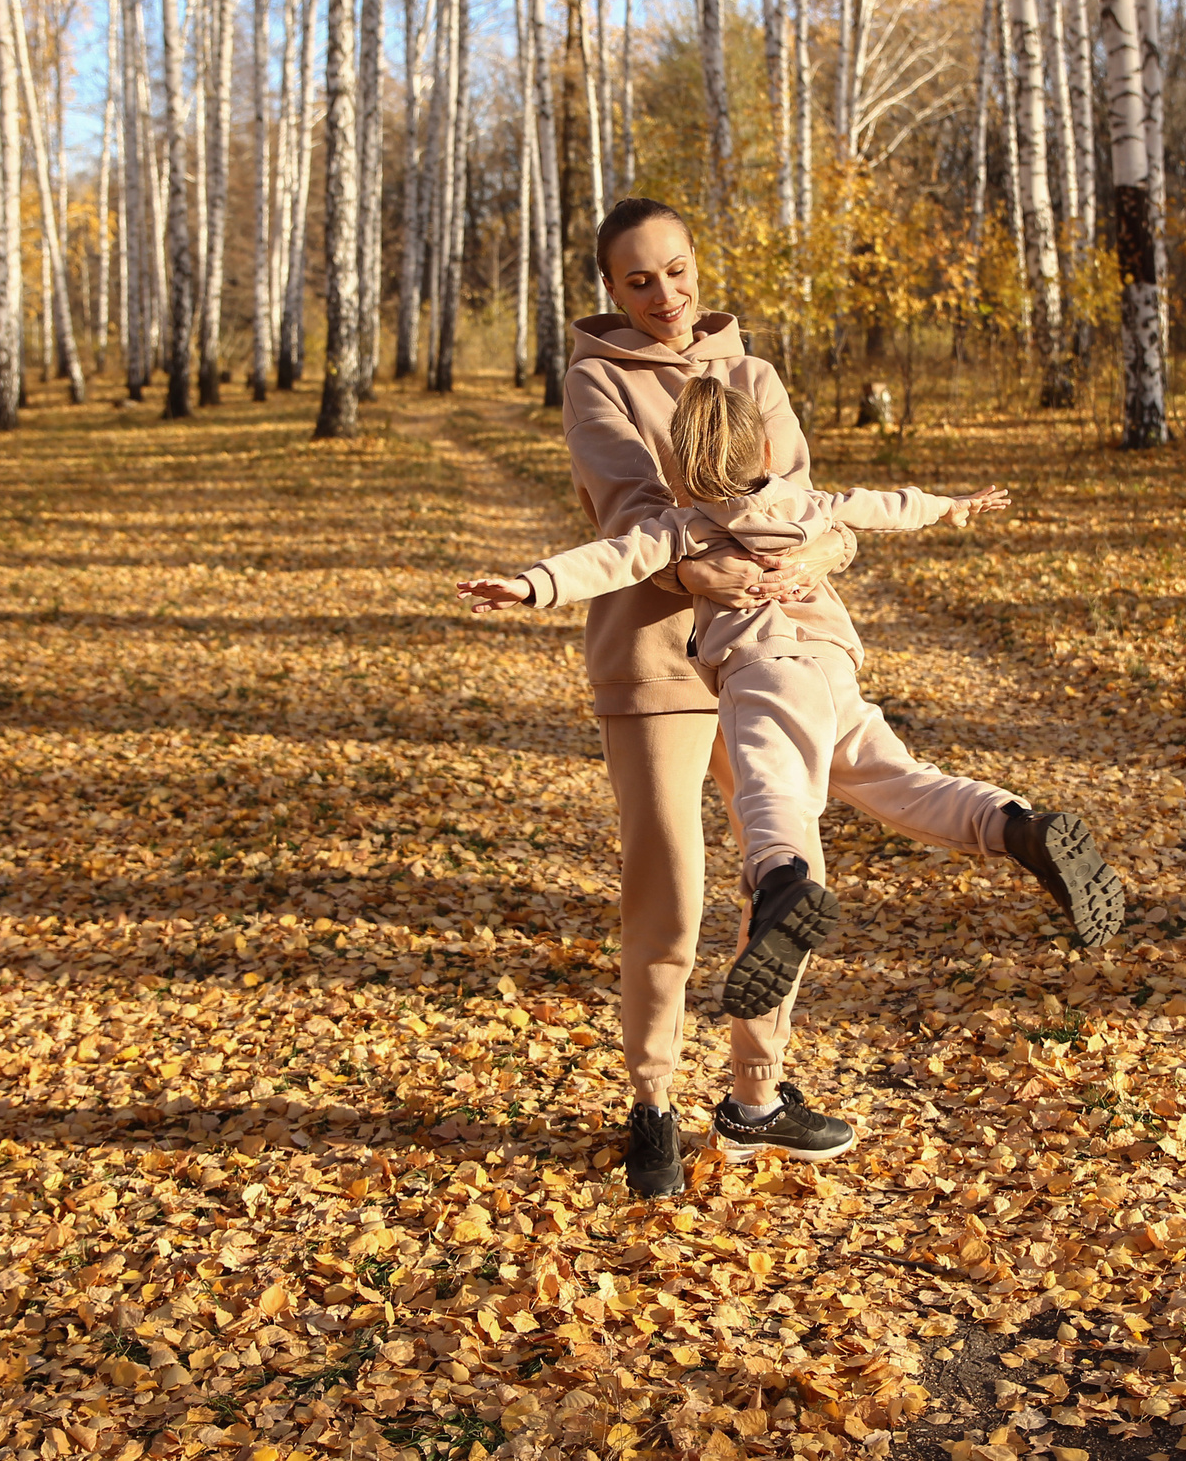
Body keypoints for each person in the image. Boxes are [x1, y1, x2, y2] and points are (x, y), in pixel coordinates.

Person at [533, 197, 1127, 1198]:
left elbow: (810, 508)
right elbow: (635, 518)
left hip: (768, 642)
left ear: (697, 264)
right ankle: (652, 1102)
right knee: (670, 893)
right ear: (609, 289)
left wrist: (815, 557)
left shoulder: (755, 375)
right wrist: (695, 571)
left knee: (786, 875)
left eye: (676, 271)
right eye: (639, 281)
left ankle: (755, 1098)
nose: (664, 295)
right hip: (658, 656)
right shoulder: (597, 379)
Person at [461, 375, 1018, 1011]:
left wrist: (530, 585)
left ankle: (780, 881)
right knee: (897, 775)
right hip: (832, 663)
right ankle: (1012, 821)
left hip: (766, 666)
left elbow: (610, 559)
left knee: (769, 790)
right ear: (768, 453)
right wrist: (949, 506)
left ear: (681, 467)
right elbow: (879, 506)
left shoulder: (687, 526)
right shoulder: (807, 503)